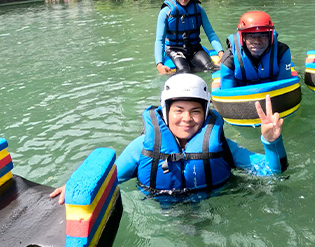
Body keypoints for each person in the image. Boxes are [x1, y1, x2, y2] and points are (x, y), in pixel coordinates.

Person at [51, 73, 287, 203]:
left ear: (205, 114)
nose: (187, 119)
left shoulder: (221, 146)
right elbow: (111, 177)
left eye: (195, 111)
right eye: (178, 111)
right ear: (166, 112)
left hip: (215, 205)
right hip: (162, 212)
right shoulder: (142, 147)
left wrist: (271, 141)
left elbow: (272, 172)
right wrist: (77, 186)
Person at [154, 0, 225, 74]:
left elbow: (210, 33)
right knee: (184, 71)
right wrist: (159, 63)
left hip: (195, 48)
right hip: (174, 49)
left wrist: (220, 52)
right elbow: (159, 40)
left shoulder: (199, 9)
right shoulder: (166, 12)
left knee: (210, 67)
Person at [219, 11, 293, 89]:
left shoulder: (282, 52)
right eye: (251, 36)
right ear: (242, 38)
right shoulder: (229, 58)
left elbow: (284, 87)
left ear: (270, 37)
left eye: (263, 35)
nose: (257, 41)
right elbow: (228, 93)